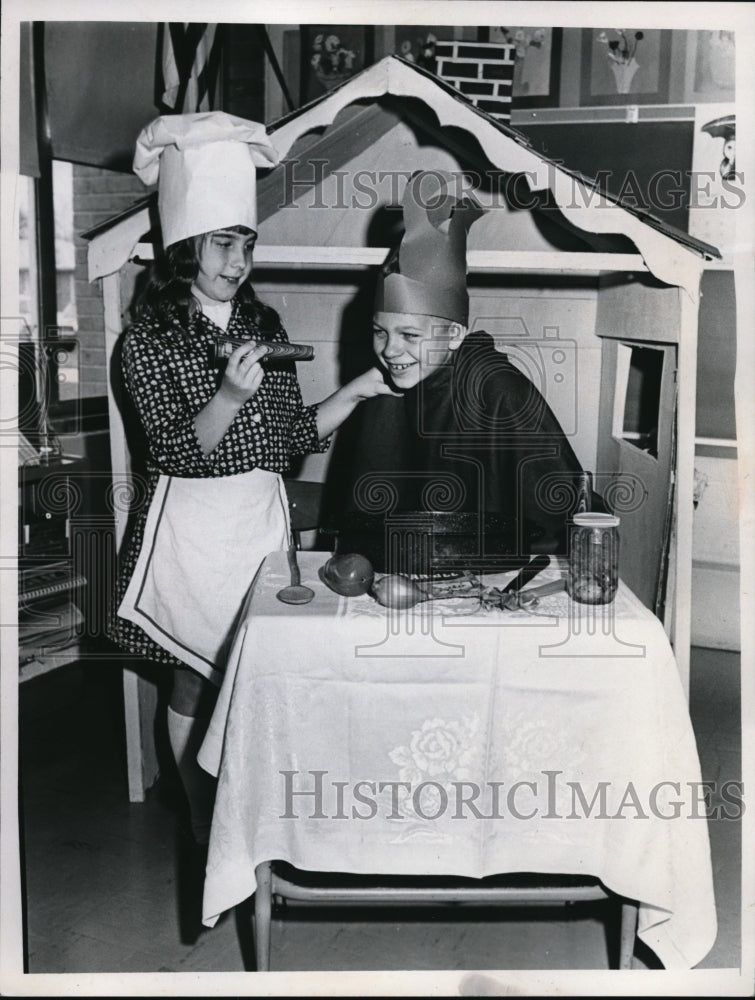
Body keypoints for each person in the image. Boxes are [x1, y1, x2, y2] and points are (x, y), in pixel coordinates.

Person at [107, 112, 395, 846]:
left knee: (266, 672)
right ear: (182, 248)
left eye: (246, 244)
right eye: (223, 244)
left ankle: (262, 813)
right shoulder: (146, 340)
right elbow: (175, 451)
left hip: (259, 523)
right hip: (192, 529)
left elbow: (289, 435)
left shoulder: (261, 322)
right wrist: (229, 395)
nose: (238, 261)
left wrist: (359, 389)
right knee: (195, 678)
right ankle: (202, 819)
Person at [329, 170, 592, 574]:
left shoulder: (500, 390)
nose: (390, 349)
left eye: (409, 334)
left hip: (499, 578)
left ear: (454, 334)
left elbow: (564, 510)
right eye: (379, 332)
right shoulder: (389, 384)